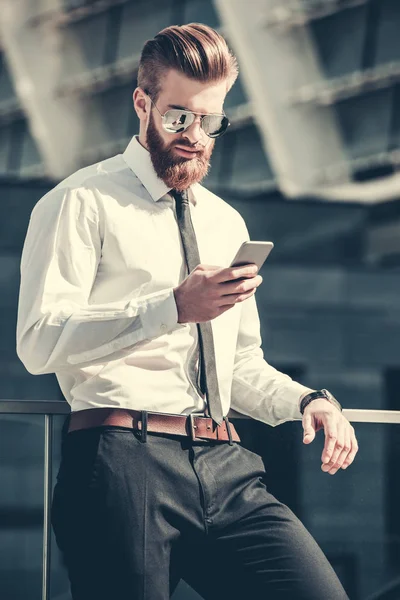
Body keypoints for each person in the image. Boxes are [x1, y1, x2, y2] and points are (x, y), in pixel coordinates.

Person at [16, 23, 358, 600]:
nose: (196, 135)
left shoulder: (226, 221)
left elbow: (241, 365)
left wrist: (307, 400)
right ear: (142, 102)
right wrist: (172, 307)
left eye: (210, 120)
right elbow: (38, 342)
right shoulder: (80, 201)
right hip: (122, 462)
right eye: (179, 116)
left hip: (227, 465)